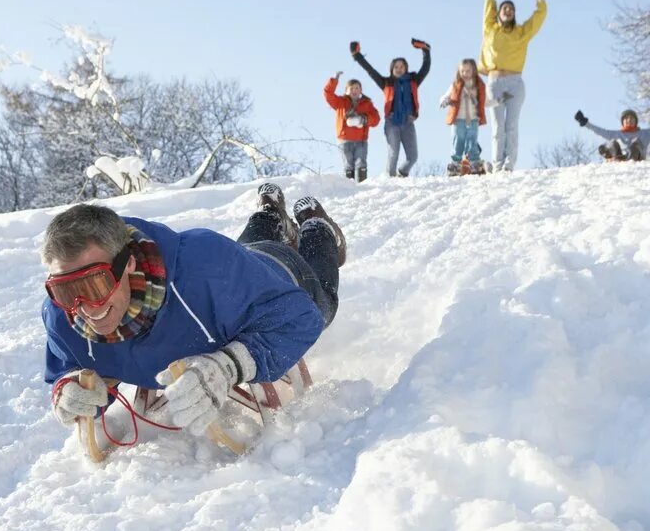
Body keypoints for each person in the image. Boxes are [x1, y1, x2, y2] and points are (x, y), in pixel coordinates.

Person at [43, 184, 346, 437]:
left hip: (282, 273)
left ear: (129, 264)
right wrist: (68, 388)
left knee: (323, 304)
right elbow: (67, 362)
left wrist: (228, 366)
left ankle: (316, 226)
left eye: (94, 286)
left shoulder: (207, 268)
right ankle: (268, 212)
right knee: (249, 246)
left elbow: (300, 318)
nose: (81, 308)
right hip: (240, 267)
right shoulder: (61, 316)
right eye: (65, 290)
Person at [478, 0, 548, 171]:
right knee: (497, 125)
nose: (508, 11)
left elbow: (539, 16)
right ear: (499, 12)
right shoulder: (490, 28)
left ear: (514, 14)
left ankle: (509, 164)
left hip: (515, 83)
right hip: (494, 83)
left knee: (511, 125)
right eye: (505, 8)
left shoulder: (521, 32)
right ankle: (497, 164)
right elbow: (488, 6)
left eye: (511, 9)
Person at [350, 38, 432, 177]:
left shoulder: (413, 81)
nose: (399, 69)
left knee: (413, 157)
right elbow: (370, 71)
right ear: (392, 69)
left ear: (406, 68)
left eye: (402, 67)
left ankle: (402, 172)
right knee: (394, 153)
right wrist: (357, 56)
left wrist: (425, 51)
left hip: (408, 121)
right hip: (392, 121)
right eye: (396, 67)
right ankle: (390, 180)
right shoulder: (386, 83)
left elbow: (425, 68)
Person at [324, 72, 381, 182]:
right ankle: (349, 187)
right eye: (351, 88)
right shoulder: (340, 102)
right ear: (346, 91)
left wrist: (364, 119)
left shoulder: (367, 104)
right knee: (348, 164)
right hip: (345, 140)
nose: (354, 90)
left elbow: (376, 119)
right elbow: (328, 94)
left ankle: (362, 185)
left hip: (361, 141)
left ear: (360, 90)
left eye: (357, 88)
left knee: (361, 163)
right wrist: (334, 80)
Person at [575, 104, 650, 161]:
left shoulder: (645, 134)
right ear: (623, 122)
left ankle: (629, 159)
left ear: (635, 121)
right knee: (613, 143)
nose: (629, 120)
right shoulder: (616, 134)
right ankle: (613, 156)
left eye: (632, 118)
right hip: (621, 158)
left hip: (637, 158)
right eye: (626, 118)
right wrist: (586, 123)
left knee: (635, 143)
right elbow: (599, 131)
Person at [439, 58, 487, 173]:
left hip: (473, 119)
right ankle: (456, 162)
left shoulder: (479, 86)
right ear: (459, 72)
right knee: (458, 139)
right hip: (458, 119)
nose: (465, 73)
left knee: (472, 140)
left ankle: (474, 162)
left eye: (468, 71)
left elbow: (486, 100)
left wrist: (500, 100)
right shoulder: (455, 85)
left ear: (474, 71)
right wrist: (445, 100)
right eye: (463, 71)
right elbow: (445, 96)